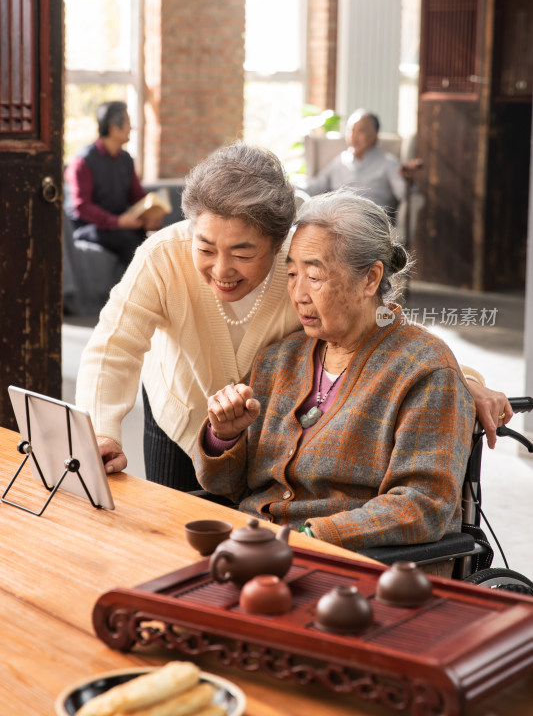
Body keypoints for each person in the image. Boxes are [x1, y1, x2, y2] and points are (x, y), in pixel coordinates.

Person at [75, 142, 511, 492]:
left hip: (268, 426)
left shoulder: (304, 256)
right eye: (206, 248)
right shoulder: (163, 255)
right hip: (182, 408)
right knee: (172, 533)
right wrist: (100, 433)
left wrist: (463, 379)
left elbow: (380, 320)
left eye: (243, 252)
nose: (221, 270)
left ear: (278, 240)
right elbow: (113, 345)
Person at [191, 190, 475, 561]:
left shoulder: (425, 369)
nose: (298, 293)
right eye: (292, 274)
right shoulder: (279, 359)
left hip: (351, 565)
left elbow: (424, 505)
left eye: (314, 275)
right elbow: (227, 486)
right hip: (256, 547)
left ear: (371, 279)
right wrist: (224, 436)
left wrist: (314, 536)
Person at [65, 100, 162, 266]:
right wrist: (117, 222)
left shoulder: (125, 159)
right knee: (128, 241)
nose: (131, 128)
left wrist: (150, 216)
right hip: (89, 227)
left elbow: (137, 196)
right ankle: (135, 291)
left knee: (158, 239)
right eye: (128, 123)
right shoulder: (83, 162)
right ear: (113, 128)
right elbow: (82, 207)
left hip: (120, 223)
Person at [305, 109, 422, 222]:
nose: (354, 135)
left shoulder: (388, 162)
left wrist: (408, 181)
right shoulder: (340, 161)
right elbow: (314, 186)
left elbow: (404, 194)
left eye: (360, 131)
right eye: (351, 130)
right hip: (338, 219)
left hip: (371, 222)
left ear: (374, 136)